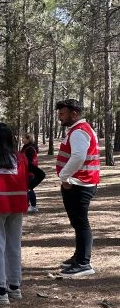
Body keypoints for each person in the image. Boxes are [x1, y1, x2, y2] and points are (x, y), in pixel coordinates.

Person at [0, 123, 45, 305]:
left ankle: (0, 291)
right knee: (14, 245)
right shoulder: (20, 158)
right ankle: (14, 287)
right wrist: (25, 187)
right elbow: (40, 174)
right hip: (17, 203)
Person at [55, 99, 100, 277]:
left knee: (81, 223)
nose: (60, 117)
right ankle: (79, 256)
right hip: (81, 183)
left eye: (62, 114)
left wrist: (65, 176)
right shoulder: (79, 129)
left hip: (79, 184)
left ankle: (84, 263)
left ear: (74, 114)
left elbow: (78, 157)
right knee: (78, 223)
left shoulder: (79, 131)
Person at [19, 133, 39, 213]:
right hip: (25, 172)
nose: (22, 140)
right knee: (26, 189)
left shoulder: (30, 149)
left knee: (29, 188)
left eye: (23, 138)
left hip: (29, 172)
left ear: (28, 139)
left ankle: (33, 206)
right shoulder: (26, 148)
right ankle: (26, 205)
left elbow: (28, 162)